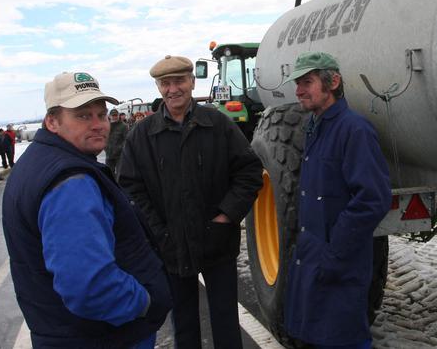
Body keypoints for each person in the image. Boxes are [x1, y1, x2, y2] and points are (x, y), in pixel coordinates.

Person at [2, 71, 172, 348]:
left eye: (101, 114)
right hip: (103, 337)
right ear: (52, 121)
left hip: (65, 331)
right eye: (83, 115)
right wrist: (146, 303)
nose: (98, 124)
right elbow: (89, 287)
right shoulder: (70, 182)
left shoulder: (37, 162)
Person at [119, 55, 263, 349]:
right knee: (184, 325)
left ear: (191, 82)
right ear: (159, 87)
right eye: (166, 83)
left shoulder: (218, 124)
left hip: (217, 242)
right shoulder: (142, 136)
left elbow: (249, 172)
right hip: (170, 246)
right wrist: (159, 230)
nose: (173, 89)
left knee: (225, 322)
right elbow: (131, 188)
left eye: (179, 81)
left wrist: (226, 215)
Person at [282, 51, 391, 348]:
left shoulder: (354, 130)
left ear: (333, 82)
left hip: (340, 262)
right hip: (314, 257)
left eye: (307, 81)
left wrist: (336, 251)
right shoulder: (316, 127)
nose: (299, 90)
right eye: (298, 83)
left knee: (344, 338)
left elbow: (372, 199)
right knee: (315, 334)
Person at [106, 108, 128, 175]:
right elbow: (103, 138)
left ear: (118, 115)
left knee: (120, 174)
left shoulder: (123, 126)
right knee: (109, 174)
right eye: (113, 115)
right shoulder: (107, 126)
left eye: (116, 115)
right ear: (110, 116)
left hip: (119, 155)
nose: (114, 117)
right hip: (109, 154)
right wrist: (106, 148)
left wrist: (120, 148)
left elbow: (126, 139)